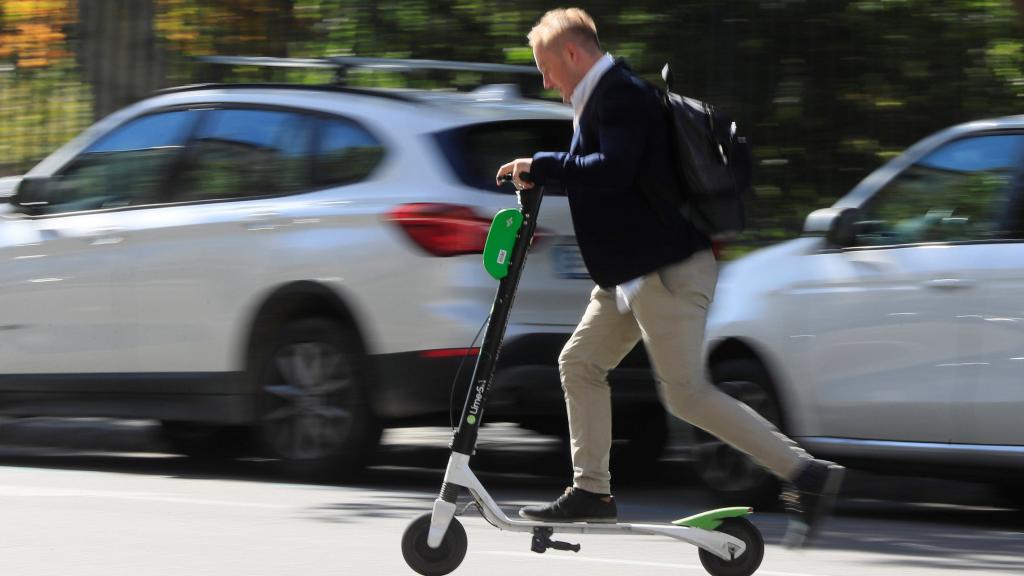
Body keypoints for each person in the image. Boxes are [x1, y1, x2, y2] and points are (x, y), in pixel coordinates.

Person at [495, 7, 844, 548]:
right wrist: (542, 168)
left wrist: (542, 165)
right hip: (631, 276)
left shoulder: (622, 96)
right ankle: (592, 491)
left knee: (685, 395)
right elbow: (612, 177)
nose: (544, 81)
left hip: (666, 274)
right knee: (580, 363)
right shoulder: (603, 98)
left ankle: (805, 473)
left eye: (545, 67)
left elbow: (612, 171)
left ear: (572, 54)